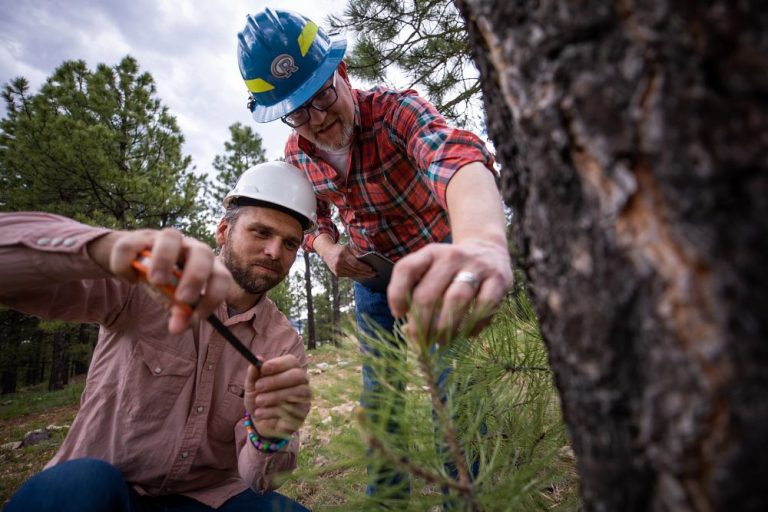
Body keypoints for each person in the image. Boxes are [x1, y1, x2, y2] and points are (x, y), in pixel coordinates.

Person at [237, 8, 514, 502]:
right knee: (379, 398)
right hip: (373, 283)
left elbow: (457, 157)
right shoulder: (297, 154)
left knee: (454, 392)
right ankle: (388, 499)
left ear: (342, 73)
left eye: (322, 94)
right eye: (298, 110)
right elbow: (311, 218)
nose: (317, 118)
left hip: (437, 268)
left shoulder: (397, 111)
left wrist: (480, 241)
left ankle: (467, 499)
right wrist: (326, 248)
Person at [1, 162, 317, 512]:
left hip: (206, 499)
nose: (275, 252)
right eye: (261, 233)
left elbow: (263, 481)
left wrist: (268, 436)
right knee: (80, 484)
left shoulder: (283, 343)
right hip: (106, 488)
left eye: (290, 243)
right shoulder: (147, 281)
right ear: (224, 231)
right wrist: (102, 249)